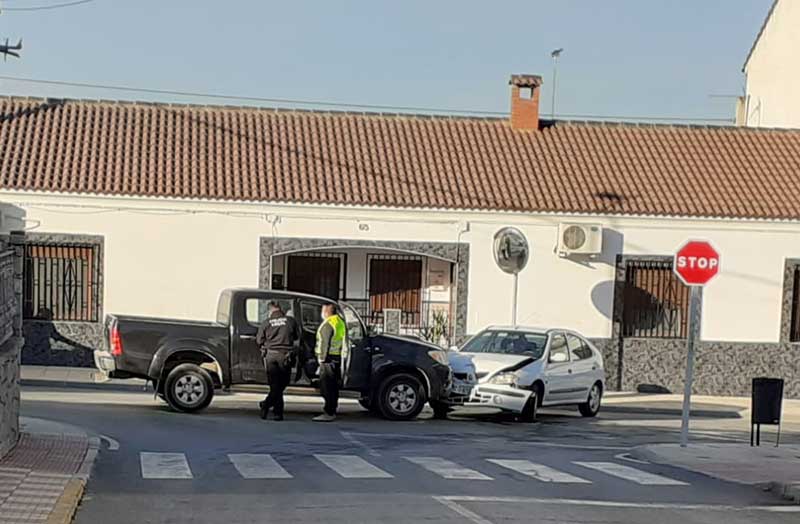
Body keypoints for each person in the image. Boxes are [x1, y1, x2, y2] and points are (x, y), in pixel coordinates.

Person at [256, 300, 300, 421]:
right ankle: (276, 412)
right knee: (282, 384)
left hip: (270, 356)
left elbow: (259, 340)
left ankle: (268, 406)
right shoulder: (290, 321)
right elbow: (297, 336)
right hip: (285, 355)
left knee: (275, 385)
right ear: (280, 309)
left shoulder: (266, 323)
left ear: (270, 310)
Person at [313, 303, 346, 422]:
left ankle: (329, 412)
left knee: (327, 386)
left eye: (322, 310)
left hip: (327, 359)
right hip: (336, 357)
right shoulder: (339, 322)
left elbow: (324, 343)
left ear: (326, 311)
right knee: (333, 387)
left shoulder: (328, 324)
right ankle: (332, 409)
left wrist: (321, 358)